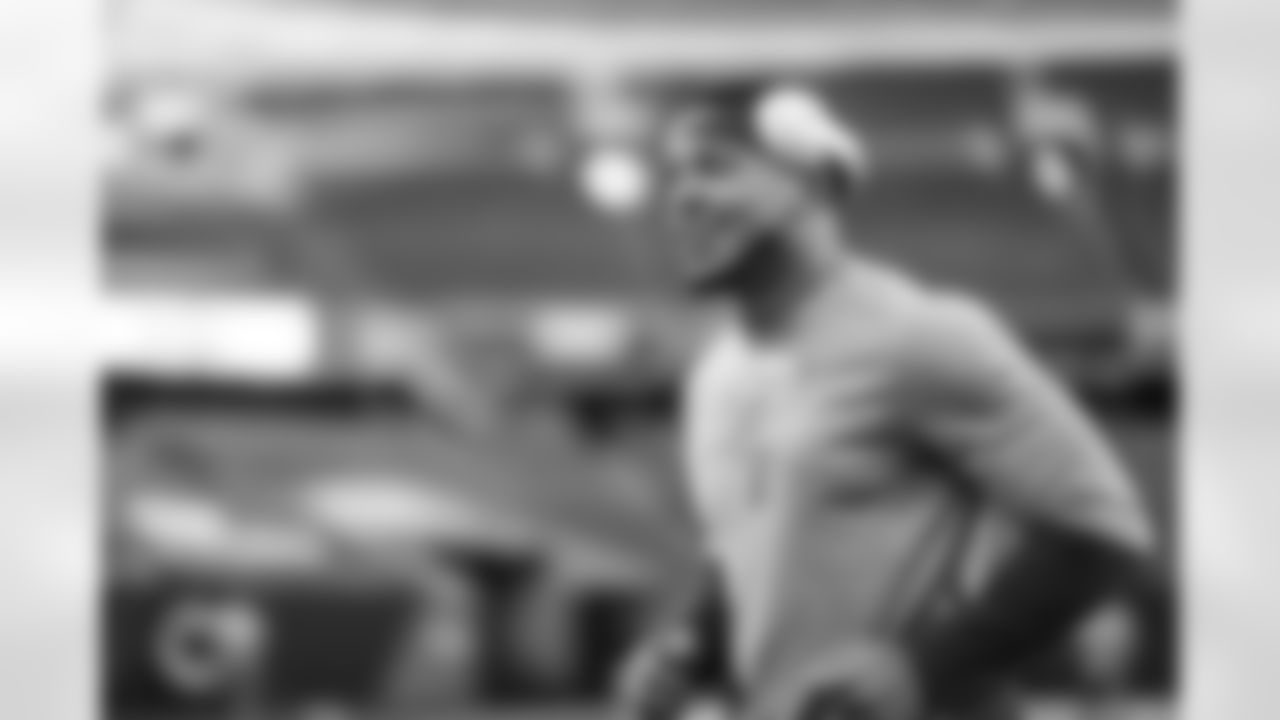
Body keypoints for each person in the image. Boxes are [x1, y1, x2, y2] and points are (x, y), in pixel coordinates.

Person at [614, 85, 1157, 720]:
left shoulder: (915, 335)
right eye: (675, 174)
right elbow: (748, 557)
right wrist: (685, 652)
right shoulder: (716, 375)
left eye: (714, 165)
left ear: (812, 183)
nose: (681, 195)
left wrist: (923, 666)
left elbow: (1104, 528)